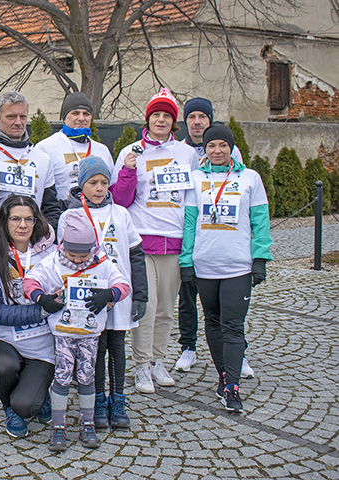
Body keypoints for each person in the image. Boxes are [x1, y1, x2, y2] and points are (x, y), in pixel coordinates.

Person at [0, 90, 60, 419]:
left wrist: (51, 244)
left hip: (34, 249)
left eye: (23, 116)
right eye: (11, 117)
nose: (18, 122)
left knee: (37, 310)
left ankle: (35, 381)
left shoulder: (42, 157)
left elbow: (50, 205)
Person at [179, 124, 272, 412]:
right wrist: (186, 262)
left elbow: (260, 222)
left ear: (231, 148)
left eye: (223, 145)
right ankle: (222, 375)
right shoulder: (196, 179)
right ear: (204, 150)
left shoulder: (250, 178)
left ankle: (232, 386)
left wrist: (260, 258)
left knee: (233, 326)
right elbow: (190, 224)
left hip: (237, 266)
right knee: (213, 323)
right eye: (211, 146)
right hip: (205, 266)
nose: (217, 151)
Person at [111, 88, 198, 394]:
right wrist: (128, 170)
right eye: (156, 114)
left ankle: (159, 360)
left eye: (166, 116)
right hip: (141, 240)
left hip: (173, 242)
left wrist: (190, 241)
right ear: (147, 118)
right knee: (145, 308)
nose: (161, 120)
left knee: (165, 308)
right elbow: (119, 200)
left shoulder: (187, 153)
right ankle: (142, 366)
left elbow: (192, 202)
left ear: (173, 122)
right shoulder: (131, 151)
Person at [24, 209, 130, 452]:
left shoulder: (102, 264)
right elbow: (30, 281)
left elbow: (123, 285)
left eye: (84, 256)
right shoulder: (52, 262)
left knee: (86, 377)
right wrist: (42, 299)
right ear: (63, 247)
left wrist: (109, 294)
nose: (78, 260)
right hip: (63, 333)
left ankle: (87, 422)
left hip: (90, 335)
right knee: (61, 377)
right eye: (73, 255)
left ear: (93, 249)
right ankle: (58, 427)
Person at [57, 156, 147, 430]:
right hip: (88, 297)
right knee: (95, 350)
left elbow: (136, 254)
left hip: (118, 293)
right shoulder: (69, 216)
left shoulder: (121, 214)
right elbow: (62, 258)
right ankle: (96, 399)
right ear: (81, 185)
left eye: (104, 182)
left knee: (117, 346)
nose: (99, 188)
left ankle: (117, 399)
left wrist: (140, 294)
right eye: (93, 182)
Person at [175, 97, 252, 378]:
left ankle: (237, 354)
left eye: (202, 117)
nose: (197, 121)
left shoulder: (231, 152)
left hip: (223, 238)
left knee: (228, 309)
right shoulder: (179, 151)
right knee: (187, 297)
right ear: (186, 122)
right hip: (188, 233)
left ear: (210, 120)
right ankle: (188, 346)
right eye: (191, 116)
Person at [0, 195, 57, 438]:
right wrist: (40, 310)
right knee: (0, 369)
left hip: (42, 346)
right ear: (5, 222)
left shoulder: (50, 253)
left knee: (27, 406)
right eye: (16, 219)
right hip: (7, 340)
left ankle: (34, 398)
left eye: (29, 219)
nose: (23, 225)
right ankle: (10, 409)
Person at [34, 92, 113, 200]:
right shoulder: (46, 147)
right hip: (61, 214)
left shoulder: (102, 150)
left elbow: (111, 187)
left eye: (86, 114)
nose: (81, 118)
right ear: (64, 117)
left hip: (96, 214)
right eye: (75, 113)